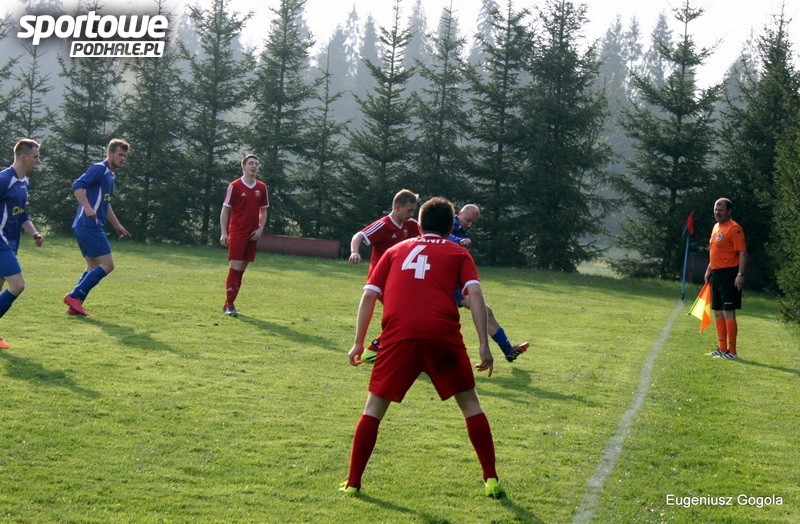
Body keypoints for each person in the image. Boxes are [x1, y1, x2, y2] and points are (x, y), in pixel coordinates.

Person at [340, 197, 505, 499]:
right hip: (442, 336)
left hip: (399, 336)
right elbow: (476, 296)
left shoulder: (394, 251)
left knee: (373, 409)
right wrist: (483, 344)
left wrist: (359, 342)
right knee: (470, 405)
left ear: (419, 224)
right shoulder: (459, 252)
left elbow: (369, 296)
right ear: (450, 227)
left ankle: (353, 483)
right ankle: (491, 478)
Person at [450, 204, 529, 363]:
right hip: (448, 287)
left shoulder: (461, 229)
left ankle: (508, 350)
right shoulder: (451, 223)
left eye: (474, 223)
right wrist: (459, 241)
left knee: (486, 312)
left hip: (455, 286)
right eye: (468, 220)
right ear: (459, 214)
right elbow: (442, 236)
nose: (470, 225)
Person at [349, 189, 421, 361]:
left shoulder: (411, 225)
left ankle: (380, 350)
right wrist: (354, 252)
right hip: (380, 280)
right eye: (409, 210)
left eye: (414, 210)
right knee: (402, 314)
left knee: (406, 314)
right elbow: (359, 236)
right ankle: (375, 350)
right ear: (397, 207)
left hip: (398, 280)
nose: (412, 214)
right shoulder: (384, 225)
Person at [63, 138, 131, 316]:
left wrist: (117, 225)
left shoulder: (111, 175)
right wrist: (87, 207)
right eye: (120, 155)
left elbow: (105, 204)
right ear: (110, 153)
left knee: (93, 266)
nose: (122, 159)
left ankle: (75, 305)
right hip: (88, 225)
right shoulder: (99, 168)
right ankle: (74, 296)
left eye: (125, 156)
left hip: (86, 225)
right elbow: (77, 185)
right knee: (108, 265)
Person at [0, 139, 45, 348]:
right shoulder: (4, 179)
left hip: (11, 242)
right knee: (18, 285)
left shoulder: (24, 182)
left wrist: (34, 233)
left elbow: (22, 214)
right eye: (36, 157)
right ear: (24, 157)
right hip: (1, 242)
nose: (38, 161)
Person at [219, 154, 268, 316]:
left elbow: (263, 211)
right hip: (237, 232)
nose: (254, 166)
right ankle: (230, 304)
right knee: (235, 266)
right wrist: (224, 232)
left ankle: (229, 302)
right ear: (244, 166)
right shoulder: (235, 186)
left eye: (256, 164)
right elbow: (225, 210)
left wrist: (260, 229)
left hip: (252, 234)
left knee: (242, 269)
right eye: (251, 163)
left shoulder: (261, 187)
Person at [704, 198, 747, 360]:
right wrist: (709, 269)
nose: (717, 212)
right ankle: (722, 348)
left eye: (721, 209)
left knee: (728, 311)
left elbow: (742, 252)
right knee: (717, 311)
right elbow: (714, 250)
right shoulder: (716, 227)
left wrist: (740, 274)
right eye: (716, 209)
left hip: (730, 273)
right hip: (716, 273)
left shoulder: (735, 228)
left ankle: (732, 352)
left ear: (729, 211)